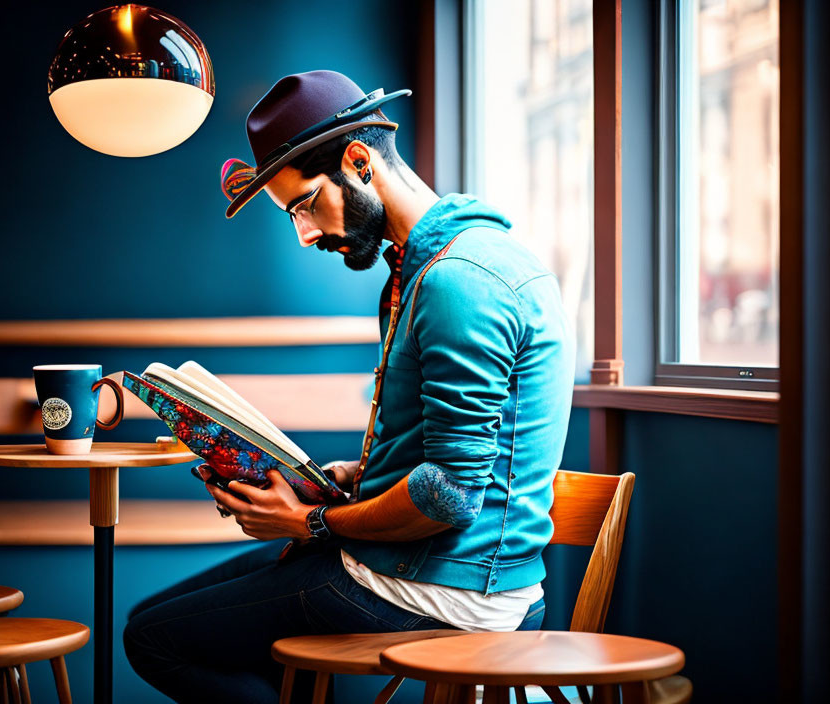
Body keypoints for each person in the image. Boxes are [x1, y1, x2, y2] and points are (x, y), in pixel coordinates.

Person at [124, 70, 575, 704]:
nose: (305, 235)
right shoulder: (429, 270)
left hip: (446, 589)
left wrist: (311, 521)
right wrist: (351, 477)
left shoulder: (458, 281)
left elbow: (448, 495)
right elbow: (456, 454)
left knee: (153, 636)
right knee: (169, 611)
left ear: (358, 161)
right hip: (431, 568)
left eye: (304, 205)